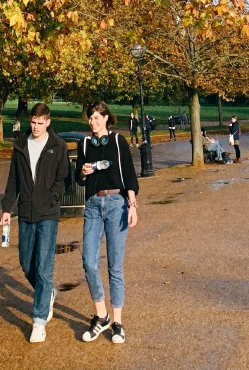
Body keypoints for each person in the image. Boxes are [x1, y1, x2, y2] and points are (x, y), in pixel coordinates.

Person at [0, 102, 71, 343]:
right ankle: (47, 291)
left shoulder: (57, 146)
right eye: (33, 122)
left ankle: (39, 321)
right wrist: (7, 208)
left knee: (43, 266)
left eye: (41, 123)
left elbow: (64, 179)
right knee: (26, 262)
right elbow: (13, 180)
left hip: (48, 213)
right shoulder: (20, 146)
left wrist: (52, 197)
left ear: (48, 122)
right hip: (26, 213)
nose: (37, 126)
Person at [76, 102, 138, 345]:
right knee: (89, 261)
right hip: (92, 204)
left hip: (116, 204)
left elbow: (130, 175)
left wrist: (132, 206)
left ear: (106, 118)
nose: (92, 122)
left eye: (96, 117)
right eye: (90, 118)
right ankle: (101, 316)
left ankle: (118, 322)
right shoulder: (83, 144)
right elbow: (79, 180)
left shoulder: (117, 141)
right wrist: (82, 172)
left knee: (115, 265)